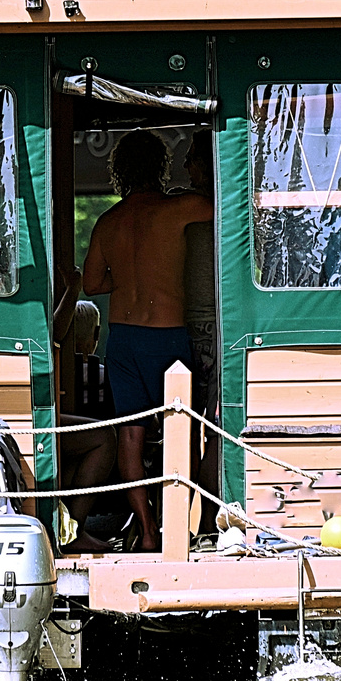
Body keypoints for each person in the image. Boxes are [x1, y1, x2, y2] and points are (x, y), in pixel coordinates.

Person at [82, 130, 212, 551]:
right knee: (183, 430)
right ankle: (183, 520)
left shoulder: (109, 221)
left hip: (122, 339)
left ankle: (147, 528)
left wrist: (128, 274)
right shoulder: (182, 209)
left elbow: (91, 282)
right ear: (161, 166)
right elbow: (227, 207)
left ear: (119, 172)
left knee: (131, 437)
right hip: (167, 337)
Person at [52, 271, 116, 554]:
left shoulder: (60, 369)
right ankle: (72, 530)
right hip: (103, 475)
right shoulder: (104, 376)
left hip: (67, 452)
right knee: (106, 437)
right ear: (94, 336)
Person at [181, 130, 222, 533]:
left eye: (193, 158)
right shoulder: (223, 204)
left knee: (203, 427)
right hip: (204, 324)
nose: (185, 166)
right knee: (207, 426)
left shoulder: (191, 206)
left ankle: (207, 518)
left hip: (204, 325)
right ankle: (207, 519)